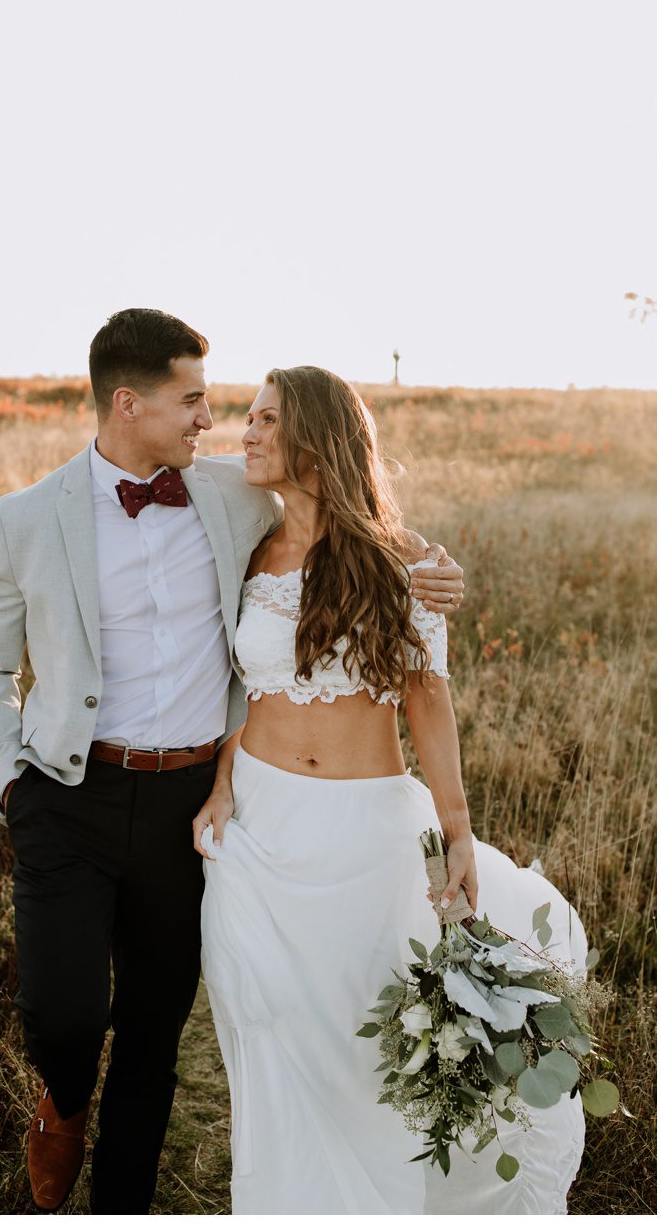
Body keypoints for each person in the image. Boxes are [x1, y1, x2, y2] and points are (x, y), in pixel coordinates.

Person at [0, 309, 466, 1212]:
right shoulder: (25, 519)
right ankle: (66, 1101)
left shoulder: (233, 492)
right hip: (67, 797)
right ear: (128, 403)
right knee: (63, 1014)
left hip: (190, 797)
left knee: (155, 1030)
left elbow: (348, 505)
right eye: (193, 401)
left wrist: (435, 567)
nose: (214, 421)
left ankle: (124, 1203)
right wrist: (8, 783)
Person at [192, 366, 584, 1212]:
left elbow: (427, 701)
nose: (246, 433)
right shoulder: (249, 546)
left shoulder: (401, 561)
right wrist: (224, 781)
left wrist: (457, 829)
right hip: (256, 832)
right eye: (248, 419)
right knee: (267, 1026)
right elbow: (240, 693)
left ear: (315, 438)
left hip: (362, 832)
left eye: (266, 420)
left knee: (359, 1032)